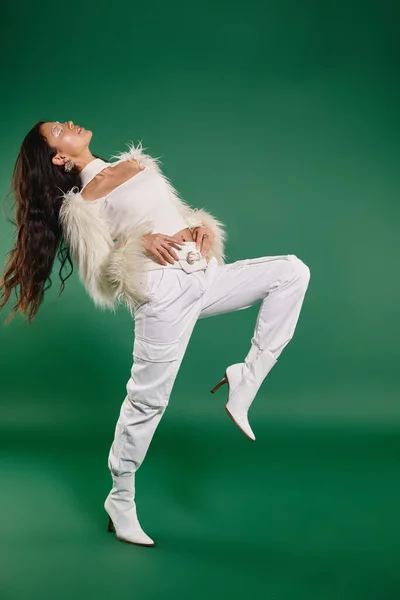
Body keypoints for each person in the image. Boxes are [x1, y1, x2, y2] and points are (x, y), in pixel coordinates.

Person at [0, 120, 311, 548]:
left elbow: (166, 215)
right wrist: (137, 246)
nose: (68, 124)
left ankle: (248, 377)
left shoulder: (135, 163)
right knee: (148, 400)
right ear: (59, 157)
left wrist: (198, 226)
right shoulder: (82, 202)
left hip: (202, 272)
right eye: (58, 130)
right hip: (161, 290)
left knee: (292, 271)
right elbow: (104, 273)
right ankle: (120, 495)